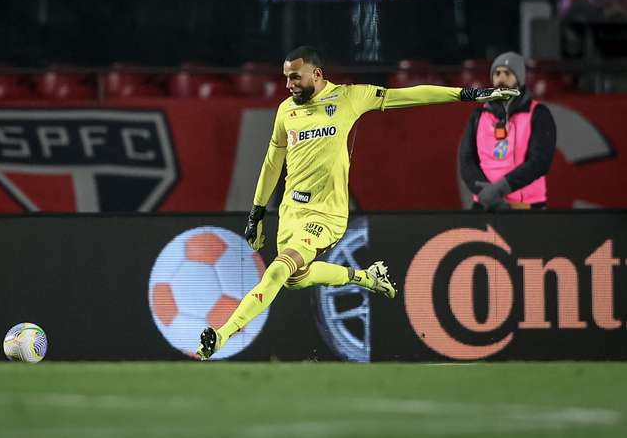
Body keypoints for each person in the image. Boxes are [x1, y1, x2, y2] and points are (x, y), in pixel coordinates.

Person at [195, 46, 519, 360]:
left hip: (327, 214)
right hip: (290, 212)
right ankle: (365, 278)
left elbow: (408, 96)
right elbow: (271, 163)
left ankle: (221, 336)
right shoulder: (286, 111)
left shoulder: (349, 97)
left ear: (317, 74)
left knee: (279, 271)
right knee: (295, 279)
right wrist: (257, 212)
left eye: (295, 77)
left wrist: (466, 94)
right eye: (286, 78)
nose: (289, 85)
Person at [458, 52, 556, 210]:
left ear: (520, 79)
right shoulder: (478, 116)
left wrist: (500, 188)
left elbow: (540, 161)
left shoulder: (538, 114)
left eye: (508, 73)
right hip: (484, 206)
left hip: (527, 209)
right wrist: (487, 195)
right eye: (497, 73)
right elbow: (466, 160)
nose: (501, 79)